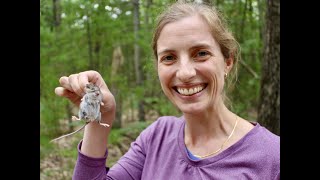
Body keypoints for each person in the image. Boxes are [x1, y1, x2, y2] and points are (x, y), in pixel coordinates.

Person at [54, 1, 280, 179]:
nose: (184, 73)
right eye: (169, 57)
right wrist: (99, 118)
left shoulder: (271, 157)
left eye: (201, 53)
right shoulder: (157, 137)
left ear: (227, 62)